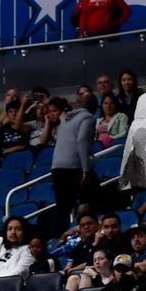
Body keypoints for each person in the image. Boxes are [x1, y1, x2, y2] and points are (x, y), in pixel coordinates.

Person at [48, 92, 96, 235]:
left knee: (62, 207)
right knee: (94, 197)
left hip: (57, 167)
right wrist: (86, 169)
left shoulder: (67, 118)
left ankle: (57, 237)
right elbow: (82, 140)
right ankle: (92, 228)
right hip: (73, 167)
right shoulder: (88, 117)